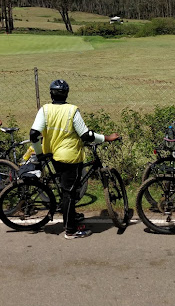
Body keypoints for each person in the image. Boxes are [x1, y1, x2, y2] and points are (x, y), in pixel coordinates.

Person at [30, 79, 119, 240]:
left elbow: (33, 134)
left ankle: (70, 215)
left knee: (67, 189)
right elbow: (86, 135)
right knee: (69, 193)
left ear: (51, 93)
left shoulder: (45, 110)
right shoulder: (72, 111)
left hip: (53, 155)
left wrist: (40, 153)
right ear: (67, 94)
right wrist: (106, 138)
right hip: (70, 157)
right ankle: (71, 230)